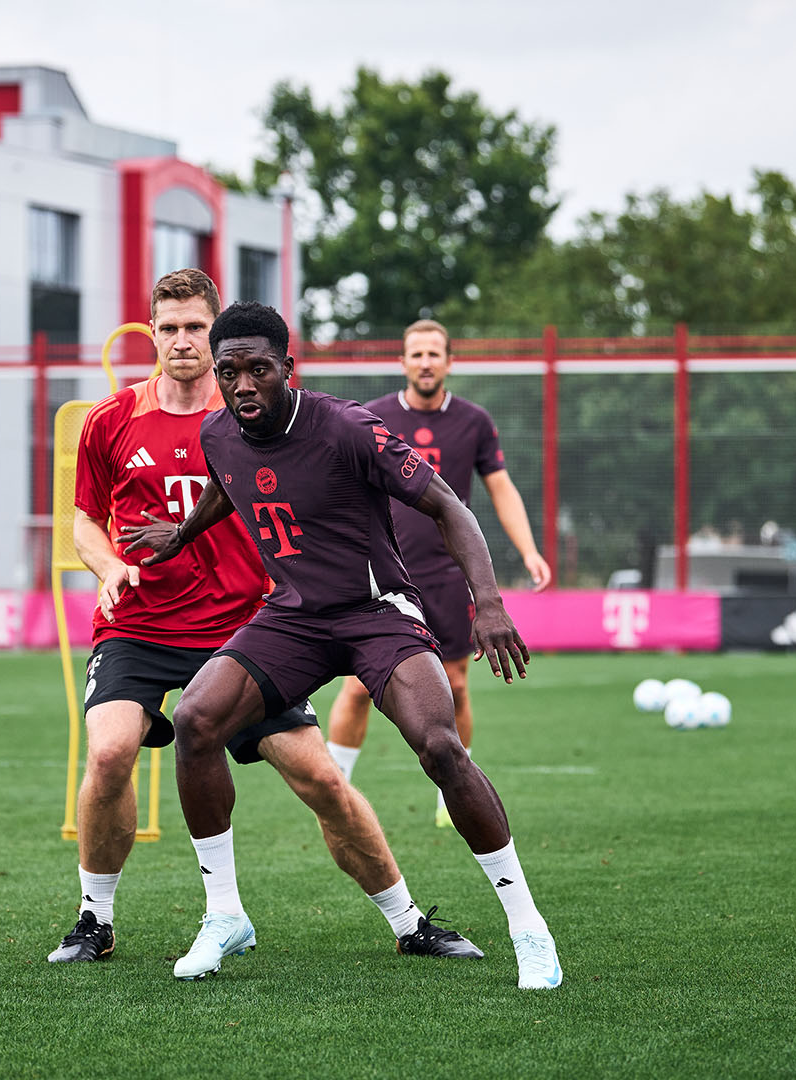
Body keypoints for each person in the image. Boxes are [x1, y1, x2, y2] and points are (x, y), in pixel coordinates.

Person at [120, 300, 562, 989]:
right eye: (229, 371)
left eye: (258, 370)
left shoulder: (349, 426)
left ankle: (528, 926)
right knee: (198, 721)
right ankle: (224, 915)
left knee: (441, 747)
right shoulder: (219, 432)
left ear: (286, 369)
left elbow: (449, 504)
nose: (242, 386)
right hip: (292, 616)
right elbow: (225, 488)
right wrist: (180, 535)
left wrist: (491, 603)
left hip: (375, 613)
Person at [53, 268, 479, 974]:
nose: (182, 340)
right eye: (169, 328)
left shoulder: (255, 413)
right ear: (151, 335)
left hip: (246, 629)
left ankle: (408, 922)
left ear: (217, 332)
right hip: (139, 626)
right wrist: (110, 568)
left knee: (319, 779)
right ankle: (95, 916)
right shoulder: (110, 421)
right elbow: (84, 522)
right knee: (106, 753)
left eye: (195, 327)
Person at [326, 319, 552, 825]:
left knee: (456, 685)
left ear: (449, 362)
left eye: (434, 354)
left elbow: (500, 488)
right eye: (416, 354)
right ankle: (334, 784)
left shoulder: (474, 421)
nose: (425, 362)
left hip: (449, 577)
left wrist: (529, 549)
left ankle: (453, 795)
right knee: (360, 685)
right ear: (403, 362)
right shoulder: (372, 416)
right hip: (383, 574)